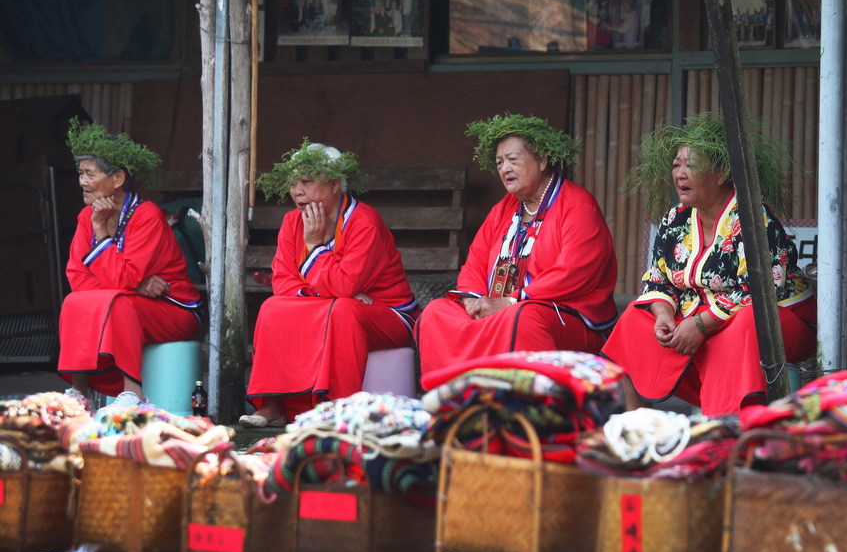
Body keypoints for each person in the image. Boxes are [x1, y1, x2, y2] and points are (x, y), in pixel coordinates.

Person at [601, 114, 816, 418]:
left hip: (777, 319)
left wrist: (700, 325)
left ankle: (724, 432)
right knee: (636, 320)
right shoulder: (675, 218)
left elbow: (761, 291)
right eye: (677, 165)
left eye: (692, 165)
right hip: (701, 314)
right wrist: (663, 314)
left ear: (721, 173)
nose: (681, 174)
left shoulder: (755, 220)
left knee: (741, 326)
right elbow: (658, 280)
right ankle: (638, 428)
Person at [416, 114, 618, 381]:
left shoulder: (578, 205)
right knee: (436, 312)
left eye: (513, 159)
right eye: (500, 162)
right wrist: (473, 300)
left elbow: (574, 273)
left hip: (564, 316)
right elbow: (475, 263)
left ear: (543, 160)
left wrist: (511, 301)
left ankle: (527, 405)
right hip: (499, 309)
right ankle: (456, 401)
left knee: (524, 318)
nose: (504, 168)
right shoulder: (503, 209)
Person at [243, 140, 418, 425]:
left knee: (344, 311)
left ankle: (334, 408)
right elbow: (283, 282)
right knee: (273, 307)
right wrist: (331, 296)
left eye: (307, 182)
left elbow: (346, 284)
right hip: (330, 307)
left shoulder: (364, 221)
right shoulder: (292, 222)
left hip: (390, 314)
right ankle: (273, 405)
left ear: (335, 184)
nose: (297, 191)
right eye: (293, 183)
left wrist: (314, 248)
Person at [57, 117, 201, 399]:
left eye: (90, 174)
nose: (82, 182)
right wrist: (136, 286)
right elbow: (77, 276)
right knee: (75, 301)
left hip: (172, 309)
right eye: (81, 173)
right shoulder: (86, 216)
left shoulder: (146, 214)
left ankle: (132, 394)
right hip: (133, 299)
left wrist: (101, 232)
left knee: (119, 303)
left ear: (118, 178)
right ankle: (79, 394)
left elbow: (122, 276)